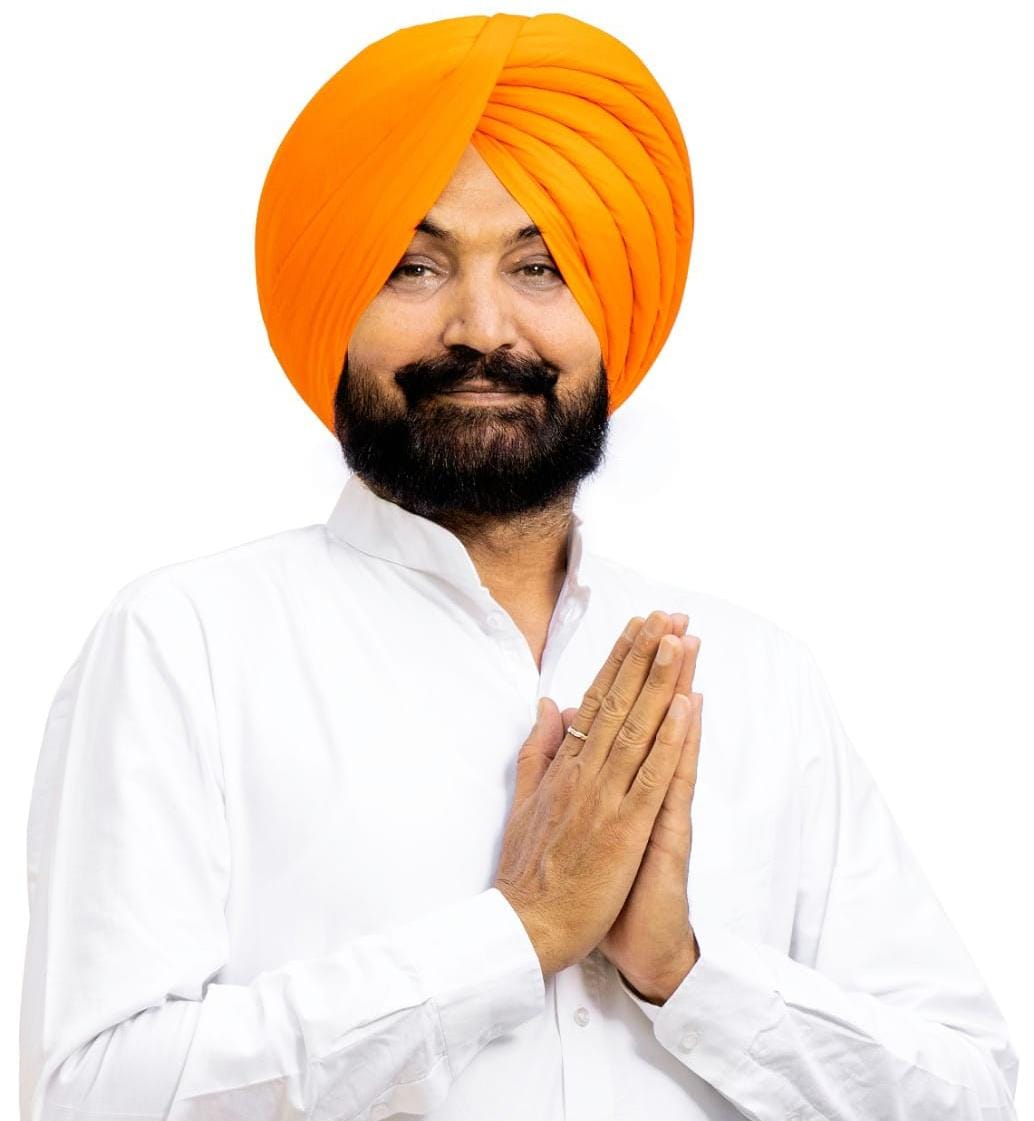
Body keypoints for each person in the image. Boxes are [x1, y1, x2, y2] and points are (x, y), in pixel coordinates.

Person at [19, 12, 1018, 1121]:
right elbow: (93, 1096)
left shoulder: (756, 671)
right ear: (335, 304)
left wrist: (687, 972)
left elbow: (972, 1091)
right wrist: (519, 932)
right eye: (413, 265)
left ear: (612, 306)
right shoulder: (188, 643)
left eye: (540, 267)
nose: (480, 327)